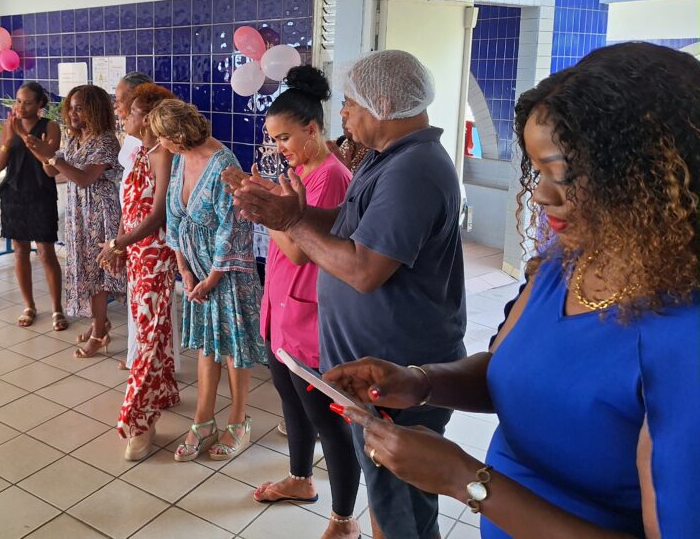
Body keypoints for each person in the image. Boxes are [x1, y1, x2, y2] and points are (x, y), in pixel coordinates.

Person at [324, 43, 700, 538]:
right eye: (536, 171)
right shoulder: (561, 267)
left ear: (650, 177)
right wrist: (420, 382)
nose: (541, 194)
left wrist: (464, 480)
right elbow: (510, 373)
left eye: (562, 174)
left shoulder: (684, 337)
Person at [232, 50, 467, 539]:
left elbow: (364, 270)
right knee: (390, 498)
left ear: (384, 104)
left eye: (350, 104)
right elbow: (347, 226)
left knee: (399, 510)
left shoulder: (413, 170)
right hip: (376, 368)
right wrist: (291, 212)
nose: (341, 114)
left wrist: (290, 221)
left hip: (401, 370)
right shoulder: (386, 160)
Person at [224, 66, 359, 538]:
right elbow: (286, 229)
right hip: (281, 309)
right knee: (291, 402)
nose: (278, 147)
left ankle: (344, 518)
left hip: (309, 318)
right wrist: (256, 194)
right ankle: (300, 479)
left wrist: (259, 208)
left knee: (326, 419)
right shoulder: (301, 171)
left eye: (284, 137)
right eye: (274, 138)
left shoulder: (331, 177)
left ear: (312, 129)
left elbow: (301, 249)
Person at [151, 99, 264, 463]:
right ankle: (203, 421)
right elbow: (174, 216)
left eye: (161, 137)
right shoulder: (180, 158)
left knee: (232, 349)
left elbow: (234, 229)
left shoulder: (224, 164)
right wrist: (184, 270)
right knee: (206, 345)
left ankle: (238, 421)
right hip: (197, 273)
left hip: (226, 274)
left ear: (177, 136)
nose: (159, 144)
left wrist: (212, 278)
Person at [97, 83, 180, 461]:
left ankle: (139, 422)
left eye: (128, 111)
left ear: (146, 118)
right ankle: (164, 391)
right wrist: (120, 245)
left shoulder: (163, 154)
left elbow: (158, 214)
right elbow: (128, 206)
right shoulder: (139, 150)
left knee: (148, 335)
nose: (122, 116)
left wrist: (119, 243)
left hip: (156, 255)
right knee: (152, 329)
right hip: (137, 253)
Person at [23, 84, 124, 358]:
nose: (72, 113)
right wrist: (41, 151)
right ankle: (100, 322)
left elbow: (84, 178)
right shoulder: (76, 138)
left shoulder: (105, 141)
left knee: (97, 273)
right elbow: (54, 173)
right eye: (70, 107)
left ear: (95, 110)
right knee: (85, 269)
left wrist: (52, 156)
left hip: (99, 214)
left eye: (80, 108)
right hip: (79, 213)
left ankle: (99, 333)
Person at [0, 81, 66, 331]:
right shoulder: (9, 126)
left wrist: (24, 136)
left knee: (46, 252)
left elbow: (49, 163)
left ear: (39, 105)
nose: (20, 107)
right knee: (20, 250)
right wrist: (9, 138)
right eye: (18, 101)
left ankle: (57, 308)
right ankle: (29, 306)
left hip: (40, 193)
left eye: (27, 102)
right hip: (13, 195)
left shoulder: (50, 126)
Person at [114, 71, 153, 370]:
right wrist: (121, 239)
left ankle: (148, 364)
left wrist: (121, 241)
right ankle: (135, 356)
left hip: (149, 236)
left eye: (120, 99)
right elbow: (128, 192)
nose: (116, 106)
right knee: (136, 300)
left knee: (150, 307)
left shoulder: (158, 149)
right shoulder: (130, 138)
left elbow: (155, 205)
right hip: (131, 229)